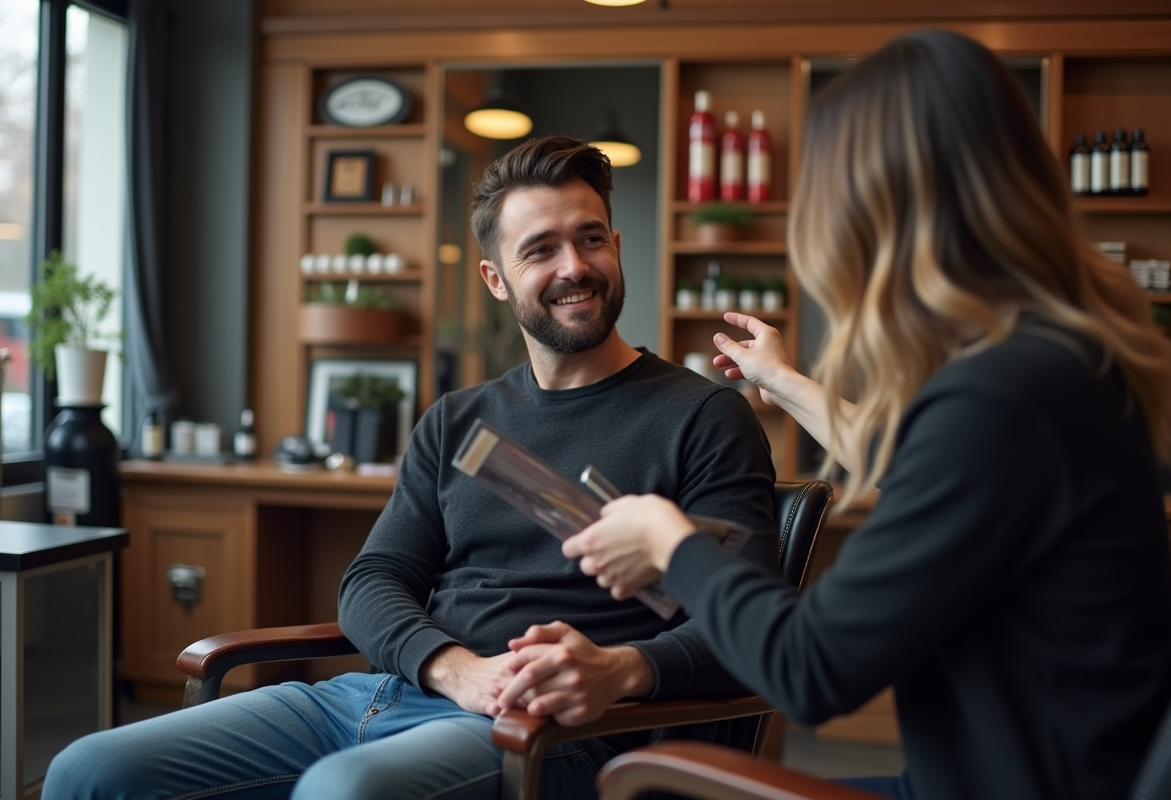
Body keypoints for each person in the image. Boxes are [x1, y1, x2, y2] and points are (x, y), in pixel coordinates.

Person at [43, 136, 778, 800]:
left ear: (617, 245)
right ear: (495, 279)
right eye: (541, 249)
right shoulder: (457, 419)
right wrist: (453, 668)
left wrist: (620, 669)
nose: (574, 267)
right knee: (87, 771)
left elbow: (749, 626)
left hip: (546, 730)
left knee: (345, 792)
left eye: (591, 239)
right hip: (383, 694)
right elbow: (372, 581)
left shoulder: (703, 418)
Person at [558, 30, 1171, 800]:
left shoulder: (1001, 395)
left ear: (872, 211)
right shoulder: (1060, 362)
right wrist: (782, 382)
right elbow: (930, 462)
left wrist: (670, 540)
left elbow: (810, 668)